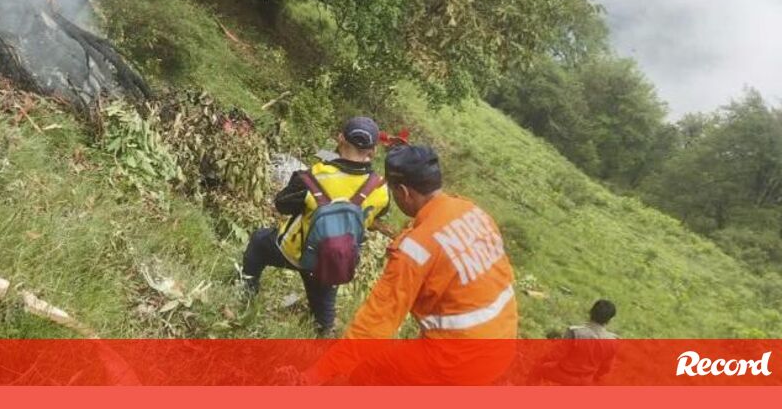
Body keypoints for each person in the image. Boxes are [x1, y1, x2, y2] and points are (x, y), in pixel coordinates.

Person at [307, 144, 518, 384]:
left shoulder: (414, 251)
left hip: (459, 360)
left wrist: (318, 373)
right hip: (503, 344)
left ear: (404, 192)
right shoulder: (473, 212)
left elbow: (375, 324)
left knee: (369, 371)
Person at [242, 117, 391, 337]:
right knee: (324, 315)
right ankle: (324, 332)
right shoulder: (379, 188)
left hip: (294, 251)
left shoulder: (314, 175)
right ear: (374, 150)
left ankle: (246, 293)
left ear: (340, 138)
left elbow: (282, 204)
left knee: (258, 242)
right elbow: (378, 214)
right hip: (333, 262)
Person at [529, 300, 619, 385]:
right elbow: (606, 368)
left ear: (591, 312)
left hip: (564, 374)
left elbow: (556, 354)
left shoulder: (575, 332)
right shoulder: (613, 341)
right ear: (609, 320)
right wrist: (593, 378)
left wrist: (542, 361)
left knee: (538, 369)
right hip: (586, 380)